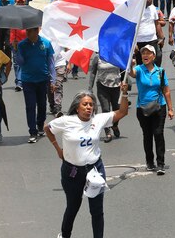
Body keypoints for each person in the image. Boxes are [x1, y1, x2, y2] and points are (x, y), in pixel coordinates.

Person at [44, 86, 129, 238]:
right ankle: (64, 235)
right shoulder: (66, 121)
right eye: (85, 104)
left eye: (91, 104)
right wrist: (58, 149)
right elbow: (47, 129)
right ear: (77, 107)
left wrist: (125, 93)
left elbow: (122, 112)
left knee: (97, 210)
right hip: (72, 172)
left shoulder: (98, 119)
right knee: (73, 206)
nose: (89, 107)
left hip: (95, 170)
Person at [128, 45, 174, 174]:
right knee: (147, 135)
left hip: (159, 107)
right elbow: (131, 73)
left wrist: (170, 109)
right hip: (142, 108)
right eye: (143, 54)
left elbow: (166, 91)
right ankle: (150, 161)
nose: (145, 56)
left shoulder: (160, 71)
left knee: (158, 133)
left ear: (154, 56)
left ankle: (161, 163)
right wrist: (131, 65)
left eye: (148, 53)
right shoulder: (138, 69)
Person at [15, 27, 57, 143]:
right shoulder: (22, 45)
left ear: (37, 31)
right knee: (30, 106)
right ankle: (32, 131)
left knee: (42, 105)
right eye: (26, 31)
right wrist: (17, 51)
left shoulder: (46, 43)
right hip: (28, 80)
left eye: (29, 31)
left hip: (43, 79)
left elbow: (51, 63)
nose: (27, 33)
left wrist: (53, 80)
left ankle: (40, 126)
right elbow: (20, 63)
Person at [87, 54, 123, 143]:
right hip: (102, 86)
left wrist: (127, 82)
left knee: (116, 109)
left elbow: (124, 69)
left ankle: (115, 125)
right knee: (106, 109)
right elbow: (93, 72)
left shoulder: (117, 55)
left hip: (116, 86)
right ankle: (108, 132)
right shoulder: (97, 57)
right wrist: (90, 87)